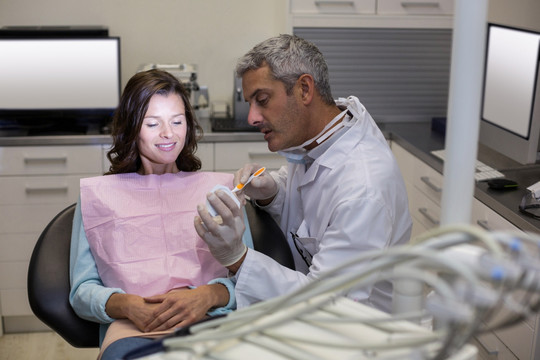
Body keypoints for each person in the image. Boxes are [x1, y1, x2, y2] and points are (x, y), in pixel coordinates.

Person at [195, 34, 412, 313]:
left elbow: (325, 304)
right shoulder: (322, 135)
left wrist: (237, 258)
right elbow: (311, 199)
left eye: (262, 99)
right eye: (250, 103)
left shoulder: (363, 189)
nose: (251, 118)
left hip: (357, 333)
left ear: (304, 89)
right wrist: (272, 191)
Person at [70, 69, 245, 359]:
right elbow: (81, 291)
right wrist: (127, 305)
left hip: (211, 323)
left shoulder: (217, 193)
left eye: (177, 122)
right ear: (131, 127)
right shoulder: (99, 197)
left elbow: (251, 277)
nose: (168, 134)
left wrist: (209, 295)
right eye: (153, 124)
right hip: (133, 329)